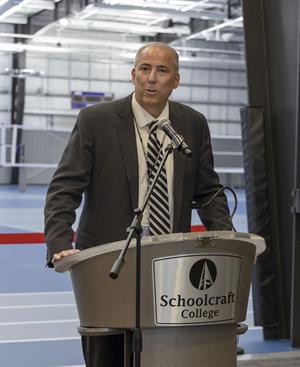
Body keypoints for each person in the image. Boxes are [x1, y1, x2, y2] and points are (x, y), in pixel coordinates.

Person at [44, 42, 233, 366]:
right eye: (145, 69)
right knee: (108, 356)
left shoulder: (193, 124)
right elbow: (65, 187)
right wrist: (60, 240)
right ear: (133, 75)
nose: (151, 78)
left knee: (165, 355)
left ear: (176, 80)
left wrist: (228, 238)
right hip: (108, 264)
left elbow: (208, 191)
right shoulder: (96, 120)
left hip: (172, 267)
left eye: (162, 71)